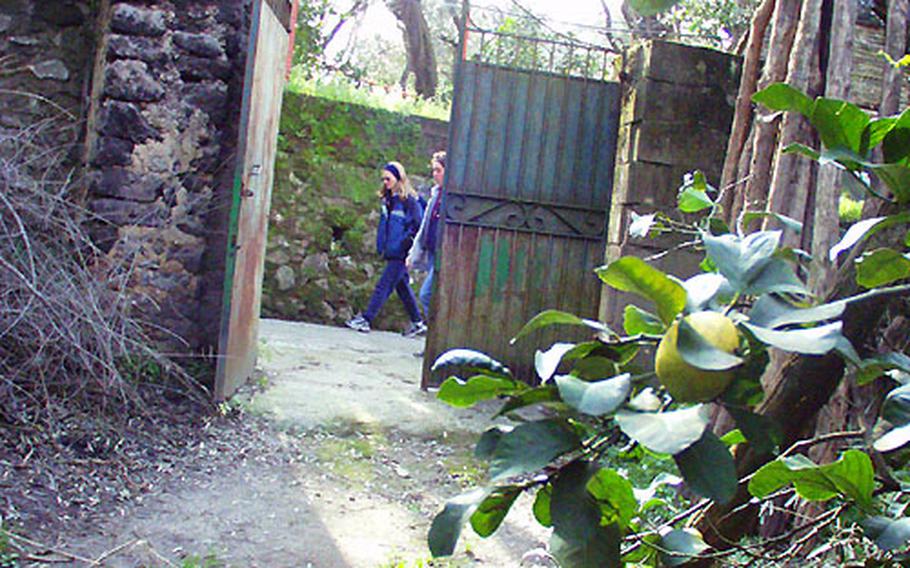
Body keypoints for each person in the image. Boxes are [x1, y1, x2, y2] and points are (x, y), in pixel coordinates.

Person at [346, 161, 426, 336]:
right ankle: (418, 323)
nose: (385, 182)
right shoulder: (389, 201)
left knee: (383, 286)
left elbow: (419, 225)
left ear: (398, 178)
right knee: (402, 287)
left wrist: (406, 244)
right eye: (383, 179)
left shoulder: (408, 201)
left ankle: (366, 319)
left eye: (388, 178)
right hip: (392, 251)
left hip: (400, 253)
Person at [407, 151, 445, 326]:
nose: (434, 174)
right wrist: (414, 254)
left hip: (442, 254)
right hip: (431, 251)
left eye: (438, 170)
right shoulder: (436, 194)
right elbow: (425, 227)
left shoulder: (449, 197)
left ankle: (436, 336)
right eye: (434, 170)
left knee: (427, 294)